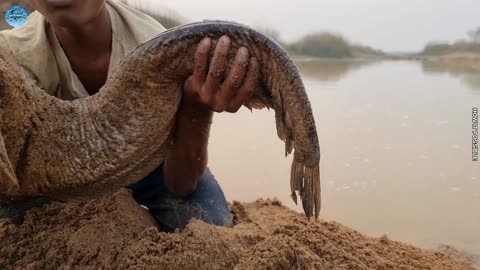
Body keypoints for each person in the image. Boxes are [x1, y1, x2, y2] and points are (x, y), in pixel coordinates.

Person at [0, 0, 259, 231]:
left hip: (153, 167)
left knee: (211, 223)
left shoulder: (162, 48)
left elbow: (181, 184)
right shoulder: (11, 58)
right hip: (58, 176)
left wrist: (196, 108)